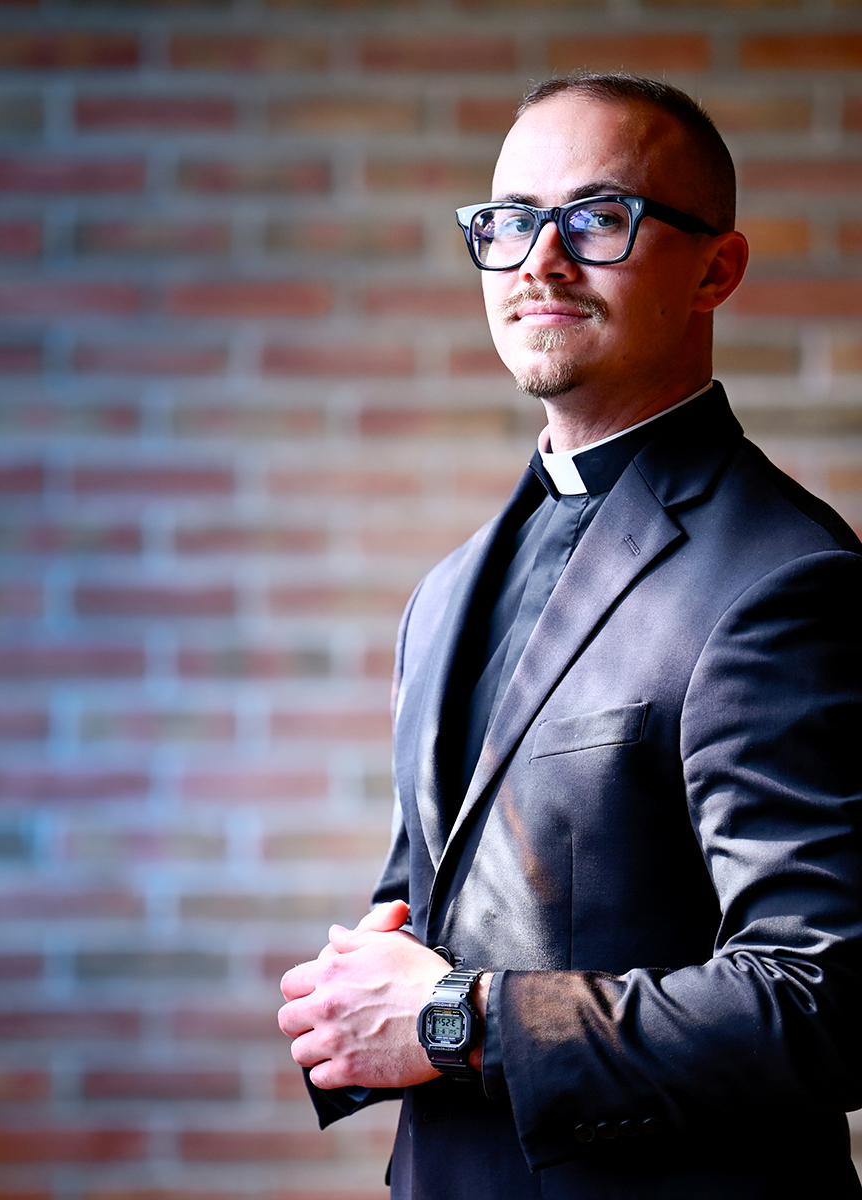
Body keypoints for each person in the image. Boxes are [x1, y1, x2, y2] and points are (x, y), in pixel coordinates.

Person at [277, 73, 862, 1199]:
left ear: (716, 269)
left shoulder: (788, 579)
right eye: (507, 223)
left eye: (597, 218)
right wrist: (356, 994)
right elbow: (439, 912)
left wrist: (454, 1018)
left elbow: (826, 1000)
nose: (540, 260)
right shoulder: (444, 592)